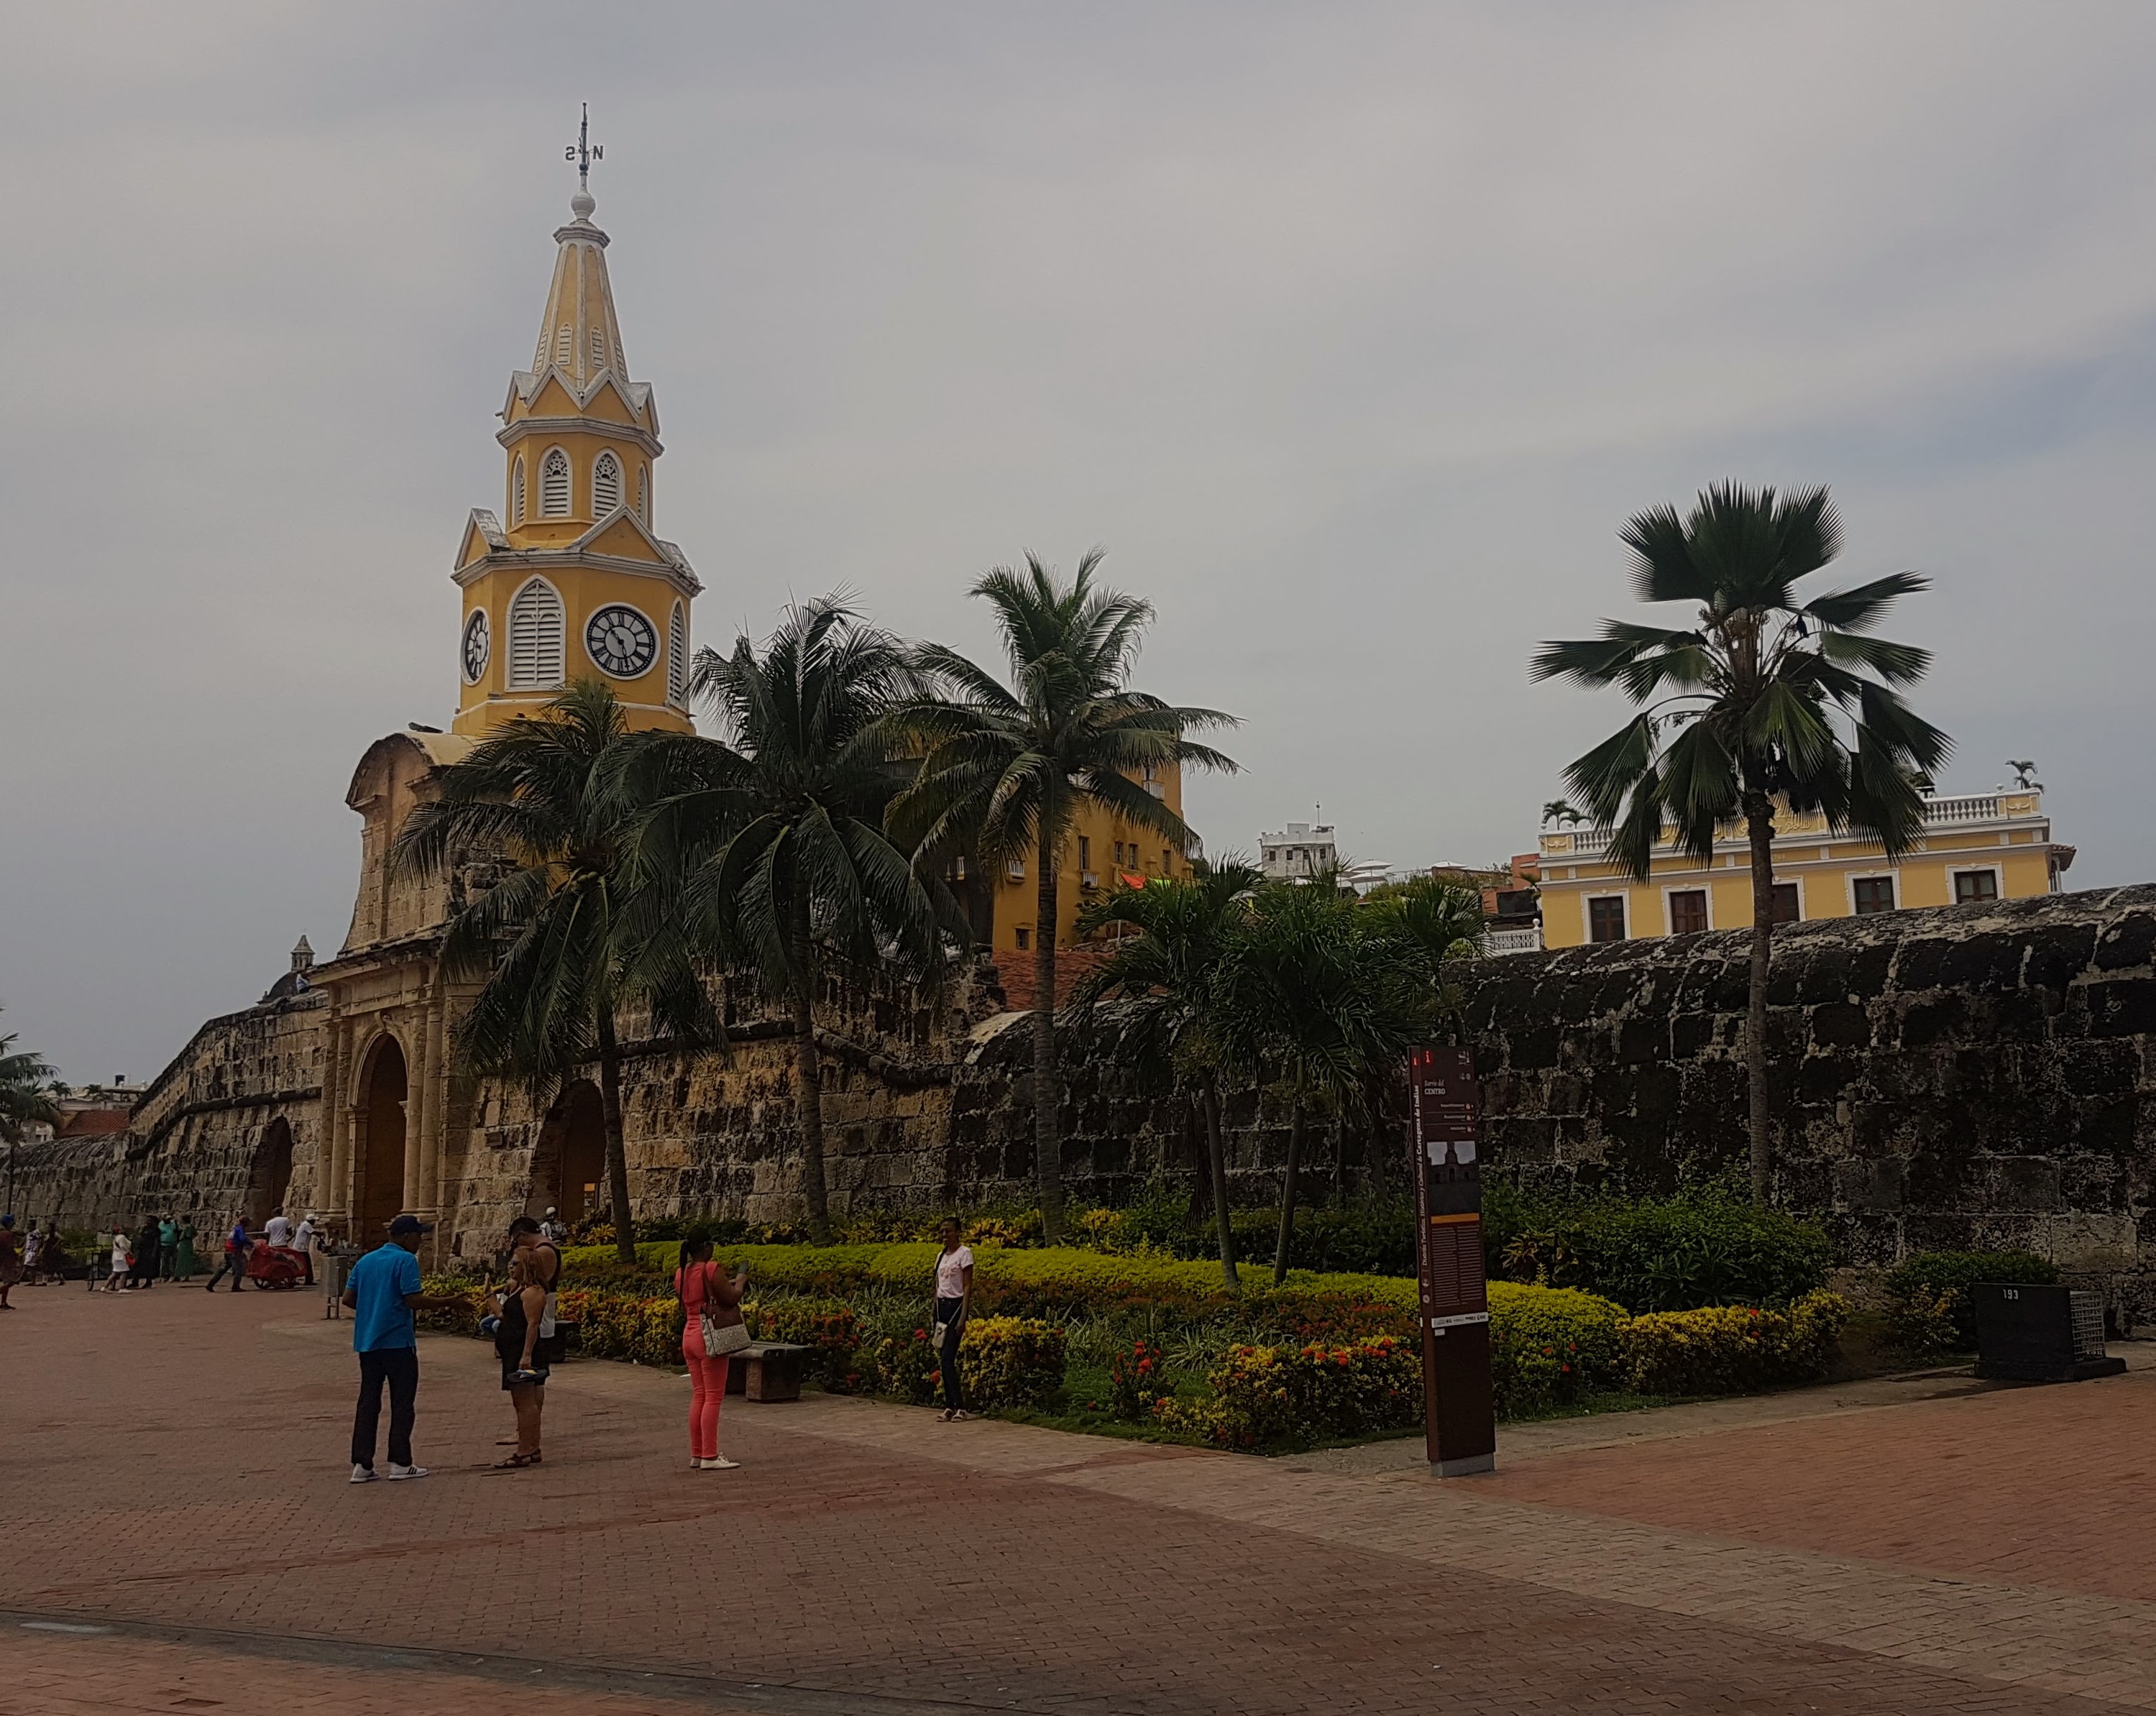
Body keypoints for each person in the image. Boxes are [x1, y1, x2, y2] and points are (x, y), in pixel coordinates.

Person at [342, 1213, 462, 1483]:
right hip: (398, 1342)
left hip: (368, 1343)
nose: (420, 1241)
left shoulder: (366, 1260)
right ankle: (400, 1462)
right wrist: (450, 1301)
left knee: (368, 1403)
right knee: (402, 1403)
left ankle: (362, 1464)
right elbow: (413, 1299)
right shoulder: (405, 1260)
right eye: (418, 1236)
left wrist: (374, 1310)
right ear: (407, 1237)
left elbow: (348, 1298)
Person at [490, 1216, 563, 1469]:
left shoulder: (533, 1292)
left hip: (523, 1349)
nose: (510, 1267)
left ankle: (527, 1447)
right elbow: (505, 1314)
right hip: (513, 1346)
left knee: (526, 1401)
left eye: (515, 1263)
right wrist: (491, 1298)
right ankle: (529, 1447)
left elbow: (532, 1325)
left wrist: (526, 1355)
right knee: (521, 1400)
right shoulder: (520, 1290)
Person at [674, 1236, 748, 1470]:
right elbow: (731, 1297)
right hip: (709, 1336)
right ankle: (710, 1455)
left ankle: (698, 1453)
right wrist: (741, 1281)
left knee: (699, 1395)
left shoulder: (682, 1272)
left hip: (690, 1333)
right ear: (706, 1247)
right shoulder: (710, 1269)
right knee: (714, 1397)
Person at [933, 1218, 974, 1423]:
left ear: (958, 1232)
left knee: (948, 1359)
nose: (945, 1235)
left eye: (949, 1231)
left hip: (956, 1307)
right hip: (941, 1309)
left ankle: (960, 1406)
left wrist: (963, 1316)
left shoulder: (964, 1254)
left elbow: (967, 1286)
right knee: (943, 1360)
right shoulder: (941, 1256)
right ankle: (949, 1405)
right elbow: (937, 1285)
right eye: (942, 1232)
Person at [204, 1218, 252, 1291]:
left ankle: (210, 1284)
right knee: (238, 1270)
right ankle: (236, 1287)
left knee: (223, 1269)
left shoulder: (236, 1228)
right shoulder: (240, 1229)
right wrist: (250, 1243)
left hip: (228, 1250)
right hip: (234, 1251)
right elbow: (242, 1238)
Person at [128, 1218, 162, 1289]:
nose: (147, 1222)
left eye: (149, 1220)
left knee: (149, 1267)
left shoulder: (156, 1230)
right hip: (142, 1250)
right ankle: (135, 1282)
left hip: (149, 1250)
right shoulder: (145, 1229)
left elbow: (157, 1241)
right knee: (137, 1266)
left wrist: (154, 1252)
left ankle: (149, 1282)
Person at [291, 1213, 318, 1286]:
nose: (315, 1222)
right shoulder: (306, 1225)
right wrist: (322, 1234)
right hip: (301, 1249)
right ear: (311, 1220)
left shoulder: (304, 1224)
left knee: (299, 1264)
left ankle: (295, 1279)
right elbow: (314, 1232)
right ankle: (309, 1280)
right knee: (307, 1264)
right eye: (314, 1220)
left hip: (300, 1248)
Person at [0, 1216, 21, 1309]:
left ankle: (4, 1302)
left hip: (3, 1260)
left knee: (7, 1282)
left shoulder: (2, 1234)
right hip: (7, 1261)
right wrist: (16, 1257)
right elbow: (10, 1248)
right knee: (12, 1281)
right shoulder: (9, 1235)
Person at [103, 1228, 131, 1292]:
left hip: (115, 1256)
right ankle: (122, 1288)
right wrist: (128, 1252)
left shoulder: (115, 1238)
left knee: (115, 1273)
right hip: (121, 1256)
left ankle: (105, 1287)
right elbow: (123, 1246)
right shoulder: (122, 1237)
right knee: (124, 1273)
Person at [173, 1218, 197, 1282]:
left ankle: (182, 1276)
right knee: (185, 1260)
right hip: (187, 1244)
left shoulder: (188, 1227)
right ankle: (183, 1276)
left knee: (184, 1260)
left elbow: (184, 1236)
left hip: (185, 1244)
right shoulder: (189, 1227)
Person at [157, 1214, 180, 1280]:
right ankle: (165, 1275)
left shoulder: (174, 1223)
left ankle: (175, 1275)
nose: (168, 1221)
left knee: (174, 1261)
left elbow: (178, 1231)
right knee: (165, 1261)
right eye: (167, 1220)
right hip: (164, 1245)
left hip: (174, 1244)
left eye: (169, 1219)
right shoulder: (161, 1225)